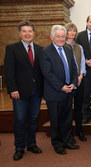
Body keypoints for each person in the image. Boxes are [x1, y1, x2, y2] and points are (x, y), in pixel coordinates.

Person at [4, 20, 43, 161]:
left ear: (34, 33)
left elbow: (41, 72)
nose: (27, 34)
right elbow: (9, 71)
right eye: (24, 31)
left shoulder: (40, 49)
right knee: (20, 120)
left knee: (33, 119)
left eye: (30, 31)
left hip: (36, 92)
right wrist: (12, 89)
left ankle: (31, 144)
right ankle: (19, 147)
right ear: (20, 33)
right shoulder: (12, 48)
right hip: (19, 93)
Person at [40, 25, 79, 155]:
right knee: (56, 120)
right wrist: (61, 86)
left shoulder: (68, 50)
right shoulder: (45, 51)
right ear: (52, 37)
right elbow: (48, 73)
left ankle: (67, 140)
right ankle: (57, 144)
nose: (61, 39)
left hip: (69, 91)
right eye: (58, 36)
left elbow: (74, 69)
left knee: (67, 118)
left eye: (63, 36)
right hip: (54, 92)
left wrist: (73, 84)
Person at [64, 23, 87, 142]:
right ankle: (69, 135)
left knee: (79, 108)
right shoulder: (62, 46)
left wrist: (81, 75)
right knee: (68, 109)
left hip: (79, 81)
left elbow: (82, 62)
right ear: (66, 32)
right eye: (70, 30)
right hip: (67, 82)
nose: (72, 33)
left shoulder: (79, 47)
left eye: (74, 30)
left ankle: (79, 131)